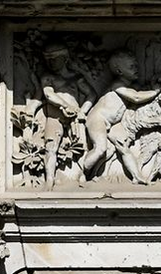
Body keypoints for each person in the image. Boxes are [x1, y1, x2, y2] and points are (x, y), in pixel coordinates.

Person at [80, 51, 161, 179]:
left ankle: (137, 177)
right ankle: (81, 172)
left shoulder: (129, 85)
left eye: (136, 65)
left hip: (112, 123)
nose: (136, 69)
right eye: (131, 67)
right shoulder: (117, 85)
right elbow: (136, 97)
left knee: (123, 147)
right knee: (100, 149)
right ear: (119, 71)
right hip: (98, 119)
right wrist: (156, 91)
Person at [39, 42, 96, 186]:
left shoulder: (76, 78)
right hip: (54, 117)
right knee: (50, 146)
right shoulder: (48, 78)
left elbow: (91, 95)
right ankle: (49, 181)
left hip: (75, 118)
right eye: (48, 59)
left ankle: (83, 176)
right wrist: (65, 106)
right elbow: (48, 94)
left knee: (82, 147)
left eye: (54, 58)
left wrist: (82, 111)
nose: (51, 62)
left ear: (65, 58)